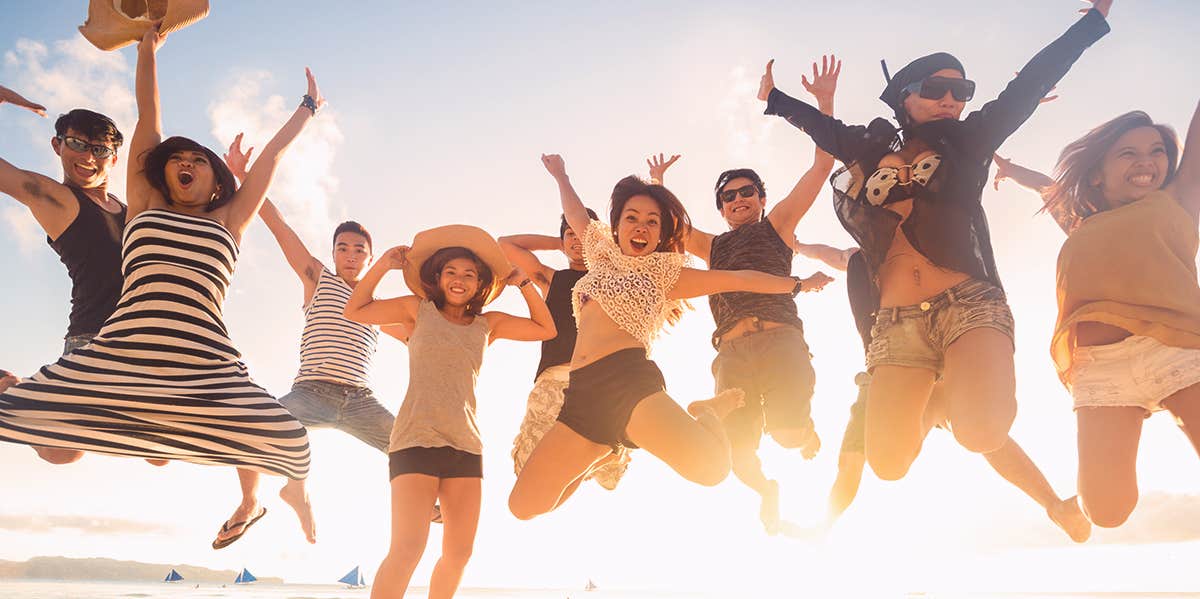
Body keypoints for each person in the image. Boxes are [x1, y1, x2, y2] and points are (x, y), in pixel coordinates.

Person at [757, 1, 1112, 481]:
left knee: (981, 433)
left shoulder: (971, 139)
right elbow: (825, 130)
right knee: (887, 464)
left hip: (968, 304)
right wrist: (774, 98)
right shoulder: (871, 147)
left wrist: (1092, 20)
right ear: (906, 97)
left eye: (961, 90)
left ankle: (950, 393)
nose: (951, 98)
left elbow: (1029, 83)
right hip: (894, 321)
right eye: (937, 88)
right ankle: (938, 394)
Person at [0, 26, 320, 538]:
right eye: (178, 160)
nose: (188, 163)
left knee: (202, 452)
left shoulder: (189, 216)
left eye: (199, 160)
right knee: (62, 453)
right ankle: (11, 386)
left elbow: (268, 164)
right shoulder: (110, 204)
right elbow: (149, 118)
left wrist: (307, 107)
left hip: (192, 354)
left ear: (218, 180)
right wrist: (147, 50)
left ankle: (264, 498)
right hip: (108, 342)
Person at [508, 155, 813, 521]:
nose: (642, 227)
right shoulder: (599, 255)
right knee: (524, 506)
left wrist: (795, 284)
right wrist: (561, 175)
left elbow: (741, 278)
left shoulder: (666, 276)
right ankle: (604, 449)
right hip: (582, 392)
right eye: (632, 218)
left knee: (713, 468)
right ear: (616, 225)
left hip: (627, 383)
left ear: (660, 233)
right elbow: (575, 214)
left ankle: (706, 411)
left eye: (652, 222)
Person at [652, 55, 839, 533]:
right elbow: (667, 227)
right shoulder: (710, 245)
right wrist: (658, 185)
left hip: (779, 342)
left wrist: (823, 102)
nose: (738, 199)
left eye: (746, 192)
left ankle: (805, 427)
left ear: (760, 197)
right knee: (736, 453)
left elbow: (822, 165)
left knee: (789, 435)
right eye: (729, 196)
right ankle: (768, 494)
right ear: (721, 207)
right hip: (732, 350)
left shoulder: (777, 225)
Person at [793, 243, 1090, 542]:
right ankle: (824, 526)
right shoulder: (859, 258)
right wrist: (800, 247)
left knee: (981, 435)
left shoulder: (916, 251)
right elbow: (834, 255)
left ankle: (1055, 505)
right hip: (888, 373)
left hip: (934, 357)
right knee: (861, 462)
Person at [999, 101, 1200, 528]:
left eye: (1157, 151)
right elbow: (1046, 187)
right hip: (1100, 371)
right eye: (1128, 153)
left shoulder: (1179, 200)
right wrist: (1012, 171)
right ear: (1096, 173)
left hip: (1179, 349)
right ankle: (1074, 508)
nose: (1147, 161)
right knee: (1106, 511)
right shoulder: (1079, 222)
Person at [208, 136, 412, 549]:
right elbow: (280, 226)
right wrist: (245, 176)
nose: (351, 254)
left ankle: (427, 506)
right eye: (343, 248)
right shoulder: (318, 278)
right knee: (250, 426)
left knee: (410, 443)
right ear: (333, 253)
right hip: (311, 393)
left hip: (360, 400)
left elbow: (424, 338)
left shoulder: (377, 305)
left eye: (359, 250)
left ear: (370, 258)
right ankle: (257, 503)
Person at [344, 225, 555, 599]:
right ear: (437, 278)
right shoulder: (416, 311)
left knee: (459, 553)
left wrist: (523, 283)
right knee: (408, 549)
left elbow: (546, 329)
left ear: (479, 284)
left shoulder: (490, 325)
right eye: (452, 272)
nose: (459, 280)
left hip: (465, 446)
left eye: (469, 274)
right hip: (414, 440)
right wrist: (381, 267)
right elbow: (356, 309)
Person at [0, 90, 136, 465]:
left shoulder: (133, 210)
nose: (88, 157)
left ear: (114, 157)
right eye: (77, 143)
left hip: (142, 341)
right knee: (62, 452)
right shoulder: (56, 199)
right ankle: (10, 386)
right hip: (92, 339)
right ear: (57, 145)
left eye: (100, 148)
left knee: (160, 457)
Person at [502, 208, 633, 495]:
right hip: (555, 379)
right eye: (569, 234)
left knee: (611, 477)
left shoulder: (613, 277)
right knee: (528, 468)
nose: (576, 239)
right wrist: (558, 241)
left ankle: (594, 456)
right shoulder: (552, 279)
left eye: (582, 234)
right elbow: (505, 244)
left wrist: (595, 240)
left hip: (601, 380)